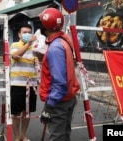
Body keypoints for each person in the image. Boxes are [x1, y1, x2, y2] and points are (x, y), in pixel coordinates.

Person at [38, 8, 80, 141]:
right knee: (64, 134)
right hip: (67, 98)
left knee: (57, 137)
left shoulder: (55, 48)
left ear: (45, 27)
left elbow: (60, 82)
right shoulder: (64, 41)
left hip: (59, 101)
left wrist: (49, 107)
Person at [10, 23, 38, 141]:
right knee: (16, 113)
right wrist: (28, 44)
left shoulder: (35, 47)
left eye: (29, 32)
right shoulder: (15, 45)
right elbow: (16, 56)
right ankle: (16, 136)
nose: (27, 34)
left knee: (27, 113)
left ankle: (23, 135)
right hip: (17, 84)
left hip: (32, 84)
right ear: (19, 34)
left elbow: (39, 62)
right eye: (24, 32)